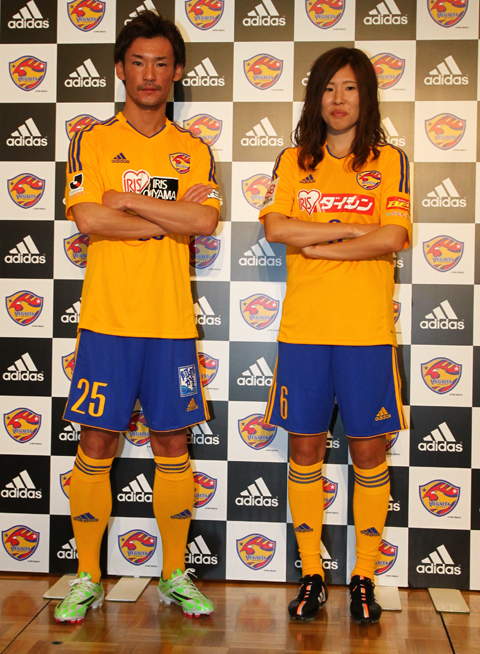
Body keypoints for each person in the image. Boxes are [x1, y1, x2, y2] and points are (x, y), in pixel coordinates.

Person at [54, 10, 219, 623]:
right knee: (96, 441)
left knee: (173, 442)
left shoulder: (193, 148)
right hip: (108, 319)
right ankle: (87, 576)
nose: (150, 74)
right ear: (121, 70)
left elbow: (204, 222)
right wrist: (166, 215)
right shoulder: (92, 139)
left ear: (177, 71)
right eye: (139, 62)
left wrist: (127, 200)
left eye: (162, 63)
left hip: (170, 323)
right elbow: (88, 218)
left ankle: (174, 574)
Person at [259, 47, 410, 624]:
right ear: (314, 97)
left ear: (366, 96)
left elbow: (392, 237)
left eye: (349, 88)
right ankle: (312, 574)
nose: (338, 99)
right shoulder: (294, 160)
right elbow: (276, 229)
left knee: (368, 452)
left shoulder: (389, 160)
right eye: (328, 88)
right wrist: (349, 228)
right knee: (305, 451)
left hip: (366, 332)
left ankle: (365, 575)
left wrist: (319, 242)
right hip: (304, 331)